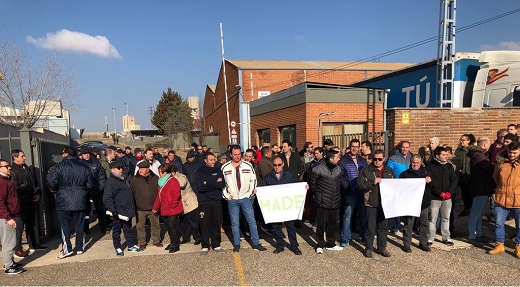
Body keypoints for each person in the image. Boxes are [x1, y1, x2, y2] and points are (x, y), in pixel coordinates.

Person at [47, 147, 95, 259]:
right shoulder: (84, 167)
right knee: (79, 224)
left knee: (65, 225)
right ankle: (79, 247)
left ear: (66, 154)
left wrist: (58, 189)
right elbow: (90, 184)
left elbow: (52, 182)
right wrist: (82, 191)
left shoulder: (58, 167)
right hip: (80, 198)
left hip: (63, 198)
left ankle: (67, 248)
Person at [222, 145, 267, 252]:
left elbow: (253, 180)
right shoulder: (225, 167)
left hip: (245, 198)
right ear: (231, 155)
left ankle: (256, 243)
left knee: (251, 221)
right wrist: (227, 196)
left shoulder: (247, 165)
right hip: (232, 199)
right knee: (235, 223)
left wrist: (249, 193)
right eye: (235, 155)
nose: (238, 156)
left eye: (239, 154)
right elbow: (221, 184)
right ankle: (237, 243)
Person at [260, 156, 302, 255]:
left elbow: (296, 186)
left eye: (279, 165)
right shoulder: (268, 177)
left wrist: (303, 187)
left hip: (287, 206)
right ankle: (280, 245)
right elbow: (263, 188)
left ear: (283, 164)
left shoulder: (289, 176)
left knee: (290, 226)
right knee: (276, 227)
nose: (277, 167)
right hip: (275, 207)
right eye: (275, 165)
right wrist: (258, 191)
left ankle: (294, 246)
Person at [357, 149, 395, 258]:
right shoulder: (366, 171)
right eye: (375, 159)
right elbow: (360, 186)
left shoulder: (389, 171)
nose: (377, 161)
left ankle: (382, 248)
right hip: (371, 202)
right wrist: (372, 183)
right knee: (370, 227)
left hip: (385, 203)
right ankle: (369, 248)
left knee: (383, 227)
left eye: (379, 159)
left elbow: (394, 185)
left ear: (383, 159)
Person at [10, 150, 46, 258]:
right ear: (15, 158)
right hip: (21, 203)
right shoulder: (13, 171)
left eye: (24, 155)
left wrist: (38, 193)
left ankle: (33, 244)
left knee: (31, 224)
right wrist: (31, 190)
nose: (24, 158)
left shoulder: (26, 168)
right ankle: (18, 249)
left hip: (30, 201)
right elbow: (16, 188)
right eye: (22, 156)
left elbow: (35, 183)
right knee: (19, 227)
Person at [103, 161, 142, 256]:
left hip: (126, 211)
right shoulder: (110, 182)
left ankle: (130, 245)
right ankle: (117, 247)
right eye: (118, 168)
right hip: (118, 212)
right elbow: (107, 198)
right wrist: (113, 211)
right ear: (112, 170)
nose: (121, 170)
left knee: (127, 228)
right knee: (116, 230)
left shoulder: (123, 179)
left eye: (121, 168)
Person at [489, 142, 520, 257]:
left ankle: (518, 245)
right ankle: (499, 244)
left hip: (518, 199)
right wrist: (501, 189)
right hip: (501, 198)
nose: (511, 155)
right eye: (510, 152)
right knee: (498, 223)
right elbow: (496, 177)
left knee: (519, 225)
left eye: (514, 153)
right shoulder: (501, 163)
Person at [309, 149, 343, 254]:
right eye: (337, 157)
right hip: (322, 201)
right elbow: (312, 184)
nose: (339, 159)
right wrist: (319, 195)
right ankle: (320, 244)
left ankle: (330, 243)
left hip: (335, 200)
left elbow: (339, 184)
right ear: (331, 158)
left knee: (333, 224)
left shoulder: (338, 169)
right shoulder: (317, 169)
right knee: (321, 224)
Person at [399, 155, 433, 252]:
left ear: (420, 162)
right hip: (410, 203)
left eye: (417, 163)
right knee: (408, 224)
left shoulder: (426, 173)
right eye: (413, 162)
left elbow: (433, 186)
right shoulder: (404, 174)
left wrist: (430, 181)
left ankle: (423, 243)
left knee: (424, 223)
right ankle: (407, 244)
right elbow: (401, 188)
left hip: (424, 202)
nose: (415, 164)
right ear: (410, 162)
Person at [196, 152, 227, 255]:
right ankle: (205, 245)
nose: (214, 161)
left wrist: (208, 183)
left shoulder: (218, 170)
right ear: (206, 160)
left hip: (216, 201)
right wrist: (214, 183)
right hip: (204, 201)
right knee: (204, 224)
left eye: (214, 159)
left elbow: (222, 184)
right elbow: (200, 187)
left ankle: (216, 244)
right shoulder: (200, 172)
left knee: (216, 223)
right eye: (211, 160)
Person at [426, 146, 457, 246]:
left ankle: (446, 237)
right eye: (443, 155)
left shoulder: (449, 166)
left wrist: (449, 192)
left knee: (446, 218)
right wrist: (439, 193)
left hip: (447, 197)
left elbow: (454, 180)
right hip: (435, 197)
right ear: (437, 156)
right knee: (432, 218)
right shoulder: (430, 166)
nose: (446, 156)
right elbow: (431, 182)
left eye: (446, 154)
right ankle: (430, 237)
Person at [466, 137, 495, 247]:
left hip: (481, 188)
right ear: (483, 145)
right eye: (488, 145)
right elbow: (490, 169)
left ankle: (478, 233)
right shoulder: (479, 156)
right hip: (480, 188)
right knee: (476, 213)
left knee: (479, 213)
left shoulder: (477, 155)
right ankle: (472, 235)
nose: (489, 147)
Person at [339, 139, 368, 247]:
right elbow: (341, 176)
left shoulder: (362, 160)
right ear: (349, 147)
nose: (354, 148)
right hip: (349, 192)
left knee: (362, 216)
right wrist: (347, 186)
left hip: (361, 192)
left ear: (359, 147)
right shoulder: (343, 160)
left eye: (356, 146)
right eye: (352, 146)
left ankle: (362, 236)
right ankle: (345, 238)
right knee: (348, 216)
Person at [0, 159, 25, 274]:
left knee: (12, 241)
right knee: (8, 243)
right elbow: (0, 202)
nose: (9, 168)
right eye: (6, 166)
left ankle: (10, 262)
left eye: (9, 166)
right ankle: (8, 266)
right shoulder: (2, 182)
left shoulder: (6, 180)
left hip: (12, 214)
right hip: (7, 217)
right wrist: (8, 218)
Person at [130, 160, 161, 250]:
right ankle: (142, 242)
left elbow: (159, 192)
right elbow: (131, 193)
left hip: (153, 207)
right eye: (140, 168)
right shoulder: (134, 179)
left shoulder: (155, 178)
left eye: (142, 168)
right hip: (140, 207)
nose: (140, 170)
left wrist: (157, 205)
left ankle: (156, 240)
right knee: (140, 226)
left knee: (156, 225)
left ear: (148, 169)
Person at [153, 164, 183, 253]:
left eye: (160, 172)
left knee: (172, 227)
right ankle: (172, 242)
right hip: (165, 208)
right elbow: (159, 196)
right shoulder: (161, 182)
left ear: (165, 172)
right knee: (169, 227)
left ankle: (175, 244)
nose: (159, 173)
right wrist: (155, 207)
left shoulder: (173, 181)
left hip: (172, 208)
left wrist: (172, 205)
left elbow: (176, 194)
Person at [78, 146, 107, 235]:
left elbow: (102, 177)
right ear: (81, 155)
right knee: (85, 211)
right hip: (84, 192)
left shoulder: (96, 163)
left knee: (100, 210)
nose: (86, 156)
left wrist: (100, 188)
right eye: (84, 154)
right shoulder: (79, 164)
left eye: (88, 154)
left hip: (96, 190)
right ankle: (85, 229)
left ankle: (103, 228)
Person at [386, 141, 413, 234]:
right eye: (403, 147)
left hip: (409, 186)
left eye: (407, 147)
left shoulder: (412, 157)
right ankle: (397, 225)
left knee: (408, 207)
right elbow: (388, 171)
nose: (405, 149)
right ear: (400, 147)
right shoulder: (393, 158)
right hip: (397, 185)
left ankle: (407, 226)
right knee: (397, 207)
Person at [172, 165, 201, 246]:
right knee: (183, 222)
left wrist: (173, 178)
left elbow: (182, 184)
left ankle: (198, 237)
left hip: (189, 202)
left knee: (193, 221)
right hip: (181, 204)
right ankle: (186, 237)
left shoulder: (181, 176)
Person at [455, 134, 476, 217]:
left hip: (471, 175)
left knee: (471, 193)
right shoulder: (458, 151)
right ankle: (466, 208)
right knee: (464, 193)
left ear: (468, 141)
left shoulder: (472, 151)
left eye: (463, 140)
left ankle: (472, 209)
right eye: (461, 140)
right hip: (462, 175)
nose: (461, 141)